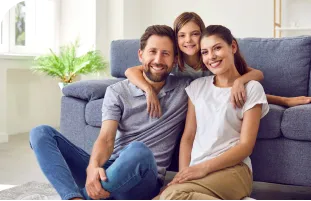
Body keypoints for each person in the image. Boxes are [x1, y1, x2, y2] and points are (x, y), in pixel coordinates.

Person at [29, 25, 192, 200]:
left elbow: (210, 70)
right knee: (41, 133)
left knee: (139, 151)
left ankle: (88, 195)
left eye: (165, 53)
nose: (158, 60)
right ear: (140, 55)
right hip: (110, 170)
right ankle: (74, 198)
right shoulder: (117, 91)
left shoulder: (185, 89)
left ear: (175, 60)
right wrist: (93, 167)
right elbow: (107, 138)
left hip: (144, 177)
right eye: (152, 52)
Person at [155, 25, 270, 200]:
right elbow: (188, 136)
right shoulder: (197, 87)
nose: (212, 57)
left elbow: (246, 146)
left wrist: (203, 168)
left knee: (173, 196)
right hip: (196, 170)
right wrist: (183, 173)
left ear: (232, 47)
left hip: (234, 170)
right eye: (205, 52)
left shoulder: (252, 88)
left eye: (217, 48)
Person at [125, 12, 311, 118]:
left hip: (216, 96)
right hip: (188, 102)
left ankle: (285, 100)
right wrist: (149, 90)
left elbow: (257, 74)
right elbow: (130, 71)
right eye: (182, 35)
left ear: (203, 35)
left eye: (195, 34)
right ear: (176, 39)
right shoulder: (173, 61)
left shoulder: (212, 59)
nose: (188, 40)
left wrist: (239, 82)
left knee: (240, 89)